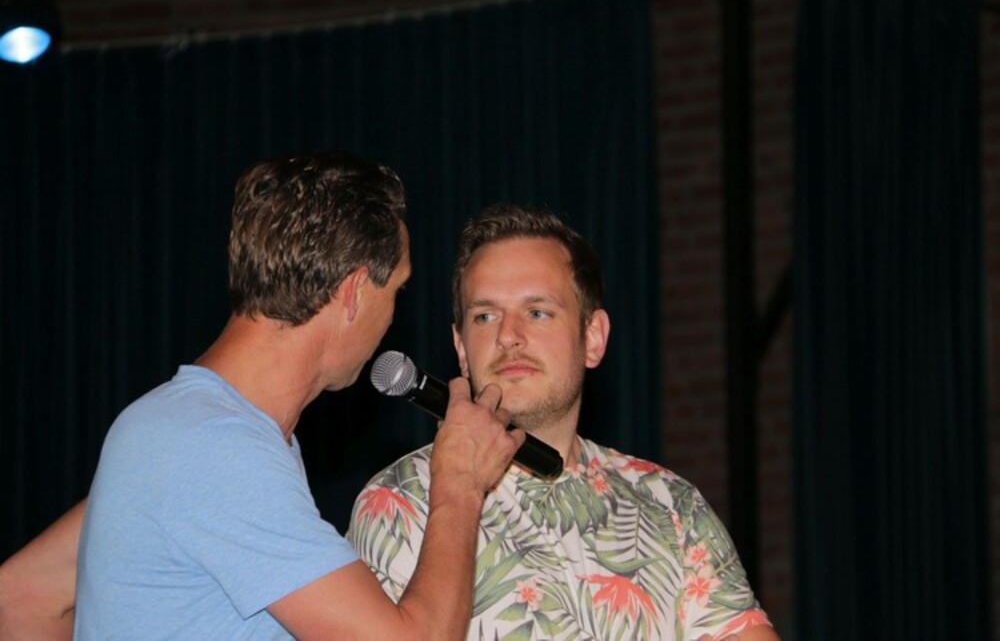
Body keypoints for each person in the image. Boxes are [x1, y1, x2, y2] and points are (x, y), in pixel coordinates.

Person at [0, 152, 524, 640]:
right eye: (396, 292)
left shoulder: (174, 431)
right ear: (354, 291)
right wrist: (460, 483)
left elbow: (21, 597)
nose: (392, 318)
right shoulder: (216, 448)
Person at [347, 204, 779, 641]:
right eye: (485, 316)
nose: (508, 335)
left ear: (593, 338)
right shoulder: (400, 500)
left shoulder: (670, 503)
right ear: (461, 348)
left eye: (537, 312)